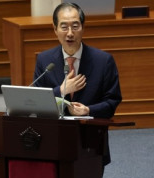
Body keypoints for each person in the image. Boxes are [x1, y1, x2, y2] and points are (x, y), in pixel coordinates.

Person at [33, 2, 122, 166]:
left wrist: (88, 110)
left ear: (83, 28)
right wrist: (61, 90)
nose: (70, 33)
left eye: (75, 26)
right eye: (64, 27)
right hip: (54, 142)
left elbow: (113, 101)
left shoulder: (103, 61)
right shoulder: (44, 61)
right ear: (55, 29)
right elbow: (36, 101)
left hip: (91, 144)